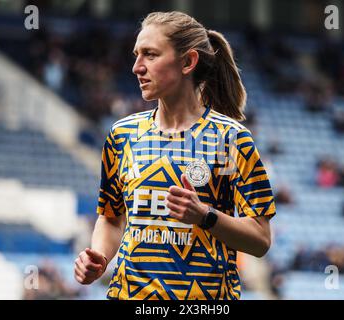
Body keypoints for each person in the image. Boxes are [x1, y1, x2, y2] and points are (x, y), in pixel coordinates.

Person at [74, 11, 276, 300]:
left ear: (188, 62)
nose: (136, 67)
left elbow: (260, 240)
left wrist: (205, 216)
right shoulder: (122, 135)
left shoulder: (232, 139)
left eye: (150, 55)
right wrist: (100, 257)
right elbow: (111, 218)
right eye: (136, 55)